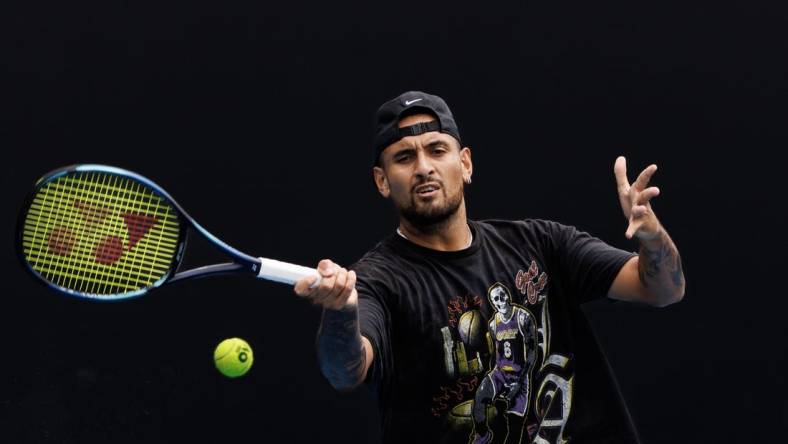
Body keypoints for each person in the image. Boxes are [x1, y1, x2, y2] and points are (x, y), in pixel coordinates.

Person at [294, 91, 685, 444]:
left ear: (465, 164)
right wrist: (342, 312)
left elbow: (664, 290)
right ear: (382, 181)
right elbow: (344, 371)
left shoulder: (541, 242)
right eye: (404, 157)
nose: (424, 167)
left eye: (437, 150)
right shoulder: (378, 282)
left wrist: (653, 240)